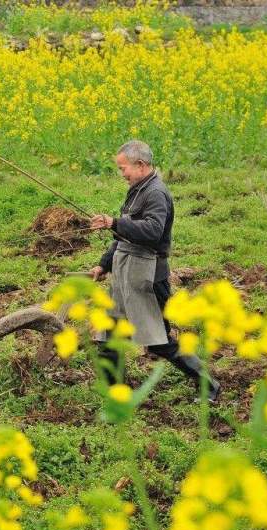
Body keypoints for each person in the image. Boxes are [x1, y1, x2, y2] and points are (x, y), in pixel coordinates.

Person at [88, 140, 219, 402]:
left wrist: (114, 222)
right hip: (125, 273)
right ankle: (117, 395)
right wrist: (104, 264)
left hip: (147, 276)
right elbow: (123, 236)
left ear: (141, 164)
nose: (121, 173)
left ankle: (209, 385)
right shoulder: (137, 189)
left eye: (123, 168)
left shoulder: (156, 193)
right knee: (108, 336)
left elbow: (151, 231)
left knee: (158, 341)